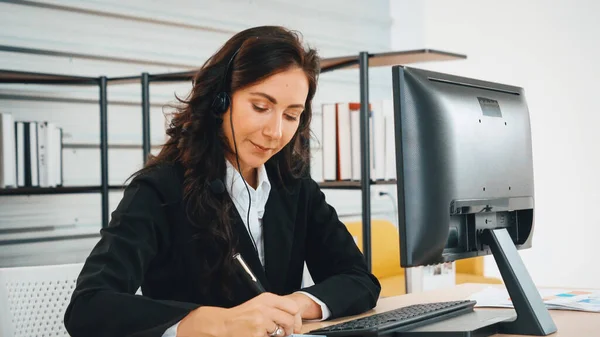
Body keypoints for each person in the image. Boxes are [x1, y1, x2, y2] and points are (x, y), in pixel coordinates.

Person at [64, 25, 381, 337]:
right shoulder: (160, 188)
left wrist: (296, 305)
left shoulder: (294, 186)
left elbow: (359, 279)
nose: (275, 132)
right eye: (260, 107)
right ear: (220, 100)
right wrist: (221, 324)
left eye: (290, 115)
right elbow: (88, 307)